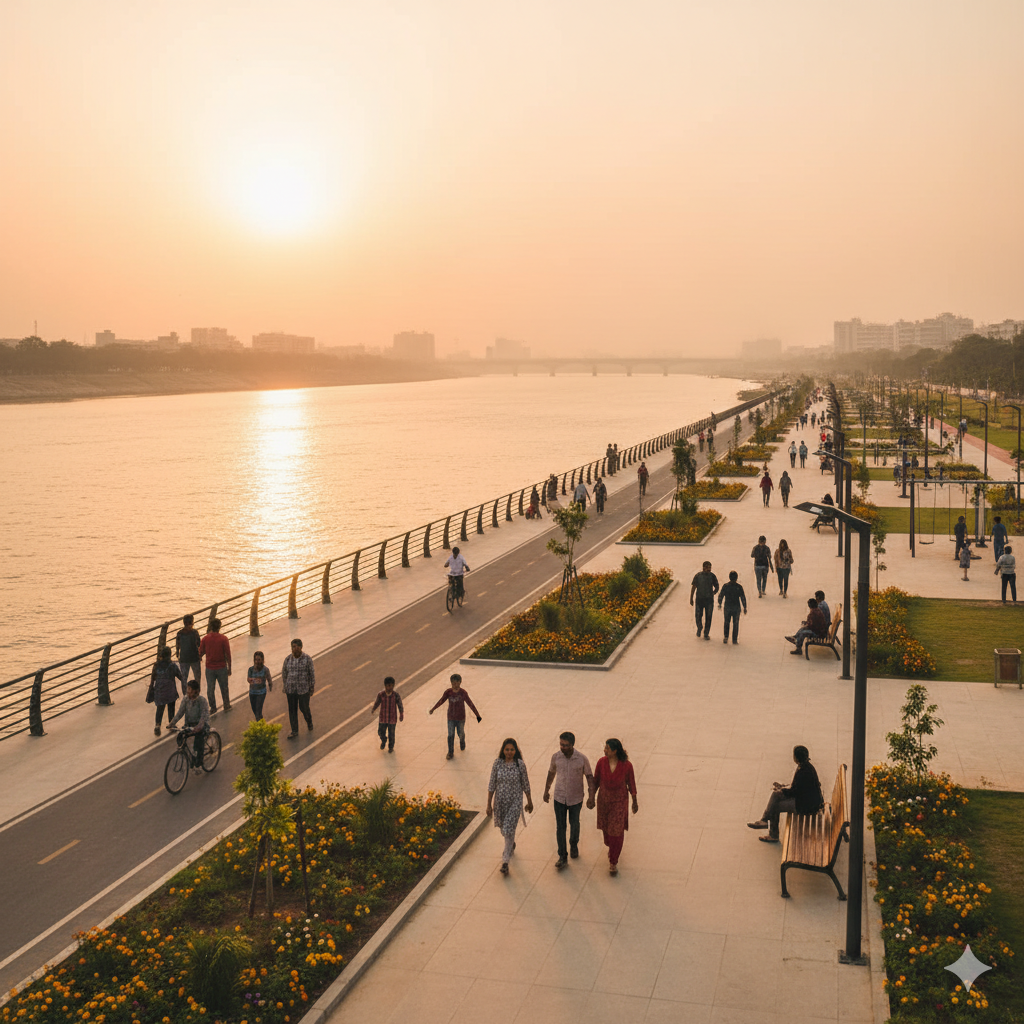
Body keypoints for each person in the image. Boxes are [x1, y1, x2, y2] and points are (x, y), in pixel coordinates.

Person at [747, 745, 823, 843]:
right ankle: (764, 820)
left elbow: (794, 792)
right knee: (776, 794)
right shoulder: (806, 767)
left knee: (776, 806)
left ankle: (772, 833)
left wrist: (782, 790)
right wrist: (782, 787)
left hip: (806, 806)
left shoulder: (803, 772)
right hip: (807, 800)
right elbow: (798, 788)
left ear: (796, 758)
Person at [543, 731, 595, 868]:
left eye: (566, 745)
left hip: (576, 798)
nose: (563, 747)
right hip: (559, 798)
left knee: (574, 823)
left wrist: (591, 796)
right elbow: (551, 773)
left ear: (572, 745)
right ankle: (562, 855)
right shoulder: (556, 757)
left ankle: (573, 844)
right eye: (561, 744)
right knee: (560, 827)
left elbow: (589, 777)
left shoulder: (582, 759)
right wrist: (546, 790)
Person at [487, 738, 533, 875]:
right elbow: (491, 784)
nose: (509, 752)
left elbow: (525, 784)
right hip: (500, 802)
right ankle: (510, 844)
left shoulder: (520, 765)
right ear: (503, 750)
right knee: (504, 829)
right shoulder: (497, 764)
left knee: (507, 829)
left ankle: (505, 861)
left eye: (512, 749)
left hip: (515, 802)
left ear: (516, 751)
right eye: (507, 749)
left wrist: (529, 801)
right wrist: (489, 804)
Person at [592, 738, 638, 875]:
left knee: (616, 832)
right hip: (604, 801)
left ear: (615, 750)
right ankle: (611, 847)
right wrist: (591, 797)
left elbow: (632, 783)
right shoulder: (601, 763)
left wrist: (635, 801)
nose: (604, 750)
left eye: (607, 748)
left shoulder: (627, 766)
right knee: (607, 832)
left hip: (619, 802)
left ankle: (613, 861)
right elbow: (596, 780)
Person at [429, 673, 482, 760]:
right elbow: (441, 701)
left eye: (457, 683)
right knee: (450, 735)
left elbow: (470, 703)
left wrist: (477, 715)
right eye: (453, 683)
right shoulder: (448, 692)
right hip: (451, 717)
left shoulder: (463, 693)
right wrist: (433, 709)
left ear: (460, 682)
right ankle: (450, 752)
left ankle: (462, 740)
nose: (455, 685)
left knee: (460, 733)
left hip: (461, 718)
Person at [167, 679, 210, 769]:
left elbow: (204, 716)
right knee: (180, 736)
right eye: (188, 688)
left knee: (198, 743)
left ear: (196, 691)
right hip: (189, 725)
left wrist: (198, 727)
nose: (187, 691)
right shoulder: (186, 699)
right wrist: (172, 723)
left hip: (201, 725)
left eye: (189, 689)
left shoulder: (202, 701)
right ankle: (187, 754)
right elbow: (180, 712)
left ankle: (199, 760)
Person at [281, 638, 315, 738]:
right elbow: (284, 673)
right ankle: (294, 730)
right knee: (292, 710)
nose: (294, 649)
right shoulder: (287, 659)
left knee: (304, 708)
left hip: (303, 689)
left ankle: (309, 721)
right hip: (291, 690)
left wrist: (311, 687)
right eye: (292, 647)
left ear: (300, 647)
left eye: (296, 647)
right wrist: (286, 685)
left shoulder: (307, 659)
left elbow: (311, 674)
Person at [199, 618, 231, 713]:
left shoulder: (205, 639)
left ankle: (213, 707)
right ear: (219, 627)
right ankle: (226, 704)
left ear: (211, 627)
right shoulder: (224, 639)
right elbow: (228, 654)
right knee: (224, 687)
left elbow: (200, 652)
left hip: (210, 668)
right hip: (222, 667)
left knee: (210, 689)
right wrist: (230, 667)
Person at [150, 646, 182, 736]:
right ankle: (171, 723)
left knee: (160, 708)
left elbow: (153, 678)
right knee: (171, 706)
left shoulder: (156, 665)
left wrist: (152, 689)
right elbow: (180, 676)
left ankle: (157, 725)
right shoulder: (172, 666)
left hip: (159, 690)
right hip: (170, 690)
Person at [372, 675, 404, 752]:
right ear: (385, 686)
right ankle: (384, 740)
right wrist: (373, 709)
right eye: (388, 686)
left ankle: (390, 747)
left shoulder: (396, 695)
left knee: (391, 734)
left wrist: (401, 713)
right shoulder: (381, 694)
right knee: (380, 732)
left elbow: (400, 704)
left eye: (391, 686)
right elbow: (377, 702)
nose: (390, 688)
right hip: (383, 718)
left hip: (392, 718)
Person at [689, 560, 719, 640]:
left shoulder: (712, 576)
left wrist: (713, 592)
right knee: (698, 616)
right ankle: (699, 627)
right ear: (703, 568)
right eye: (707, 568)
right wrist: (691, 598)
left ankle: (706, 633)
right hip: (699, 599)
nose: (709, 569)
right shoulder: (698, 576)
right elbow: (693, 587)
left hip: (709, 600)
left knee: (708, 617)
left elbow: (717, 586)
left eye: (710, 568)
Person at [717, 570, 747, 644]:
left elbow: (721, 595)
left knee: (727, 622)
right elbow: (743, 597)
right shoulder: (739, 587)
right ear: (736, 578)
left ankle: (726, 637)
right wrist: (745, 607)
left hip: (727, 606)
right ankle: (734, 639)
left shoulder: (726, 586)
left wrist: (720, 603)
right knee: (735, 623)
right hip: (736, 607)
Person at [174, 614, 202, 692]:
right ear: (192, 622)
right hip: (194, 658)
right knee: (197, 677)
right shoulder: (195, 632)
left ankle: (185, 694)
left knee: (184, 678)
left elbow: (177, 645)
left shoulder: (179, 633)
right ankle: (196, 692)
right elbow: (199, 644)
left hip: (184, 658)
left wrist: (177, 653)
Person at [246, 651, 273, 721]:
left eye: (259, 660)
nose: (257, 662)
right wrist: (255, 680)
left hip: (261, 693)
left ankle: (260, 725)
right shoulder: (251, 669)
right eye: (255, 660)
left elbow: (269, 678)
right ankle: (261, 721)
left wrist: (270, 685)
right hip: (252, 693)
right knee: (254, 710)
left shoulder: (265, 670)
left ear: (262, 660)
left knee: (258, 710)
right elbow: (248, 679)